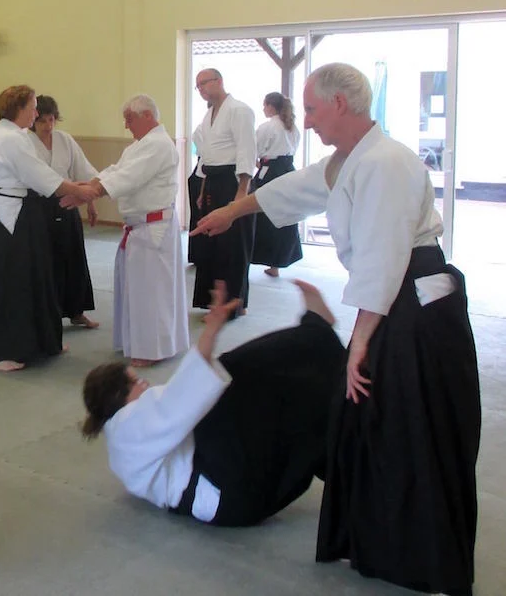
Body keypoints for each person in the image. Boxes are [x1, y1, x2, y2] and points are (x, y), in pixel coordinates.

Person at [194, 63, 481, 596]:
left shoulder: (386, 162)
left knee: (406, 422)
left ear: (340, 105)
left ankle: (421, 555)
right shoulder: (349, 159)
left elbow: (383, 257)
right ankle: (380, 541)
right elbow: (295, 189)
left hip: (414, 306)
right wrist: (232, 212)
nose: (306, 120)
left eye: (312, 109)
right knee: (371, 419)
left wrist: (360, 343)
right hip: (394, 300)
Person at [81, 280, 345, 526]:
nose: (145, 383)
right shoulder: (129, 426)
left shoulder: (123, 436)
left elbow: (184, 397)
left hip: (231, 494)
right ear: (117, 397)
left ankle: (316, 335)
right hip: (231, 493)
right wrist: (211, 331)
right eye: (136, 382)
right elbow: (184, 394)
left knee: (239, 390)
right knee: (234, 373)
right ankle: (315, 331)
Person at [0, 86, 97, 372]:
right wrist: (83, 191)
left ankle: (44, 342)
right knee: (9, 281)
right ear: (19, 108)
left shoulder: (15, 135)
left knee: (36, 276)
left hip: (24, 211)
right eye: (33, 108)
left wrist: (89, 187)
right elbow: (42, 176)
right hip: (7, 215)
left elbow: (44, 177)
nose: (36, 113)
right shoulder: (9, 137)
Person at [70, 95, 188, 367]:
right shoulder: (140, 146)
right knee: (137, 291)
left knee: (151, 292)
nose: (126, 125)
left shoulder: (159, 145)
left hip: (153, 229)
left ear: (147, 115)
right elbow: (117, 170)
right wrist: (90, 184)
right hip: (139, 228)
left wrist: (92, 192)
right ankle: (138, 342)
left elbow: (129, 177)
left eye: (129, 119)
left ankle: (152, 350)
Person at [29, 95, 99, 329]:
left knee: (73, 258)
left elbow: (84, 171)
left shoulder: (65, 140)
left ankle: (77, 311)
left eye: (51, 120)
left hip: (69, 203)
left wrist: (90, 202)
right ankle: (48, 317)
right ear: (33, 121)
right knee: (47, 263)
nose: (48, 126)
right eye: (42, 121)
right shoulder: (25, 142)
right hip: (39, 207)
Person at [190, 69, 256, 315]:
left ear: (219, 81)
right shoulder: (209, 115)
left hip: (233, 183)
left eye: (204, 84)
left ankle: (234, 303)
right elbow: (206, 156)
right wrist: (202, 188)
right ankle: (215, 301)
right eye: (197, 86)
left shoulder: (239, 110)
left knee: (233, 245)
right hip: (212, 182)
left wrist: (241, 195)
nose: (201, 89)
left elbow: (247, 151)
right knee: (212, 244)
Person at [251, 91, 302, 277]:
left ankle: (261, 257)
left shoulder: (268, 127)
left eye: (264, 105)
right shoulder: (292, 127)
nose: (263, 109)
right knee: (285, 215)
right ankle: (276, 264)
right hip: (288, 170)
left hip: (271, 172)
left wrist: (259, 163)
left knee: (262, 213)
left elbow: (254, 150)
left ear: (271, 106)